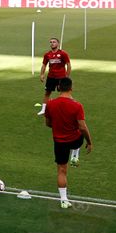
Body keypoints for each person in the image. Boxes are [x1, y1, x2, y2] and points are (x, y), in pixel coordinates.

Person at [46, 77, 92, 208]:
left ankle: (63, 200)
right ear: (71, 88)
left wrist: (58, 125)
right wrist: (90, 142)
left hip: (59, 142)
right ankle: (75, 154)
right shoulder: (77, 105)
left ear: (58, 88)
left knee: (61, 171)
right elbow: (82, 127)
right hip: (74, 139)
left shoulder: (50, 104)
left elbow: (48, 123)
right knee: (79, 136)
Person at [38, 37, 71, 115]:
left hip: (61, 77)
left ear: (58, 44)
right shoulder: (47, 54)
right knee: (47, 93)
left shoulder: (63, 54)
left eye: (54, 42)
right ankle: (43, 109)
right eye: (51, 42)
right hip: (51, 77)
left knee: (64, 93)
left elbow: (68, 65)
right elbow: (44, 65)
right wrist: (42, 74)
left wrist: (67, 76)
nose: (52, 43)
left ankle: (67, 108)